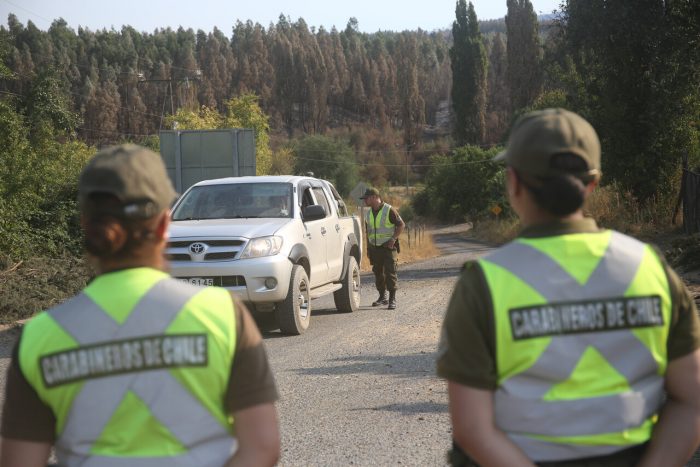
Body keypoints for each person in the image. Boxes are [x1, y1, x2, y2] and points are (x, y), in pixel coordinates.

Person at [436, 108, 700, 466]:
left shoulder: (484, 283)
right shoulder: (651, 268)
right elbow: (692, 400)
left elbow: (472, 430)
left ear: (513, 182)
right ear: (592, 184)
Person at [0, 144, 280, 467]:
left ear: (86, 226)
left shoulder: (39, 337)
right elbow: (262, 448)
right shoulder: (223, 315)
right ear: (164, 225)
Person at [361, 187, 405, 310]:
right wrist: (369, 249)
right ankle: (382, 297)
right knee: (378, 273)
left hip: (388, 248)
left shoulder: (389, 210)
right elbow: (368, 233)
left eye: (367, 198)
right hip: (375, 249)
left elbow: (401, 225)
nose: (365, 200)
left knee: (390, 273)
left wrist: (393, 239)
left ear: (375, 197)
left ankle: (392, 299)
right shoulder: (368, 213)